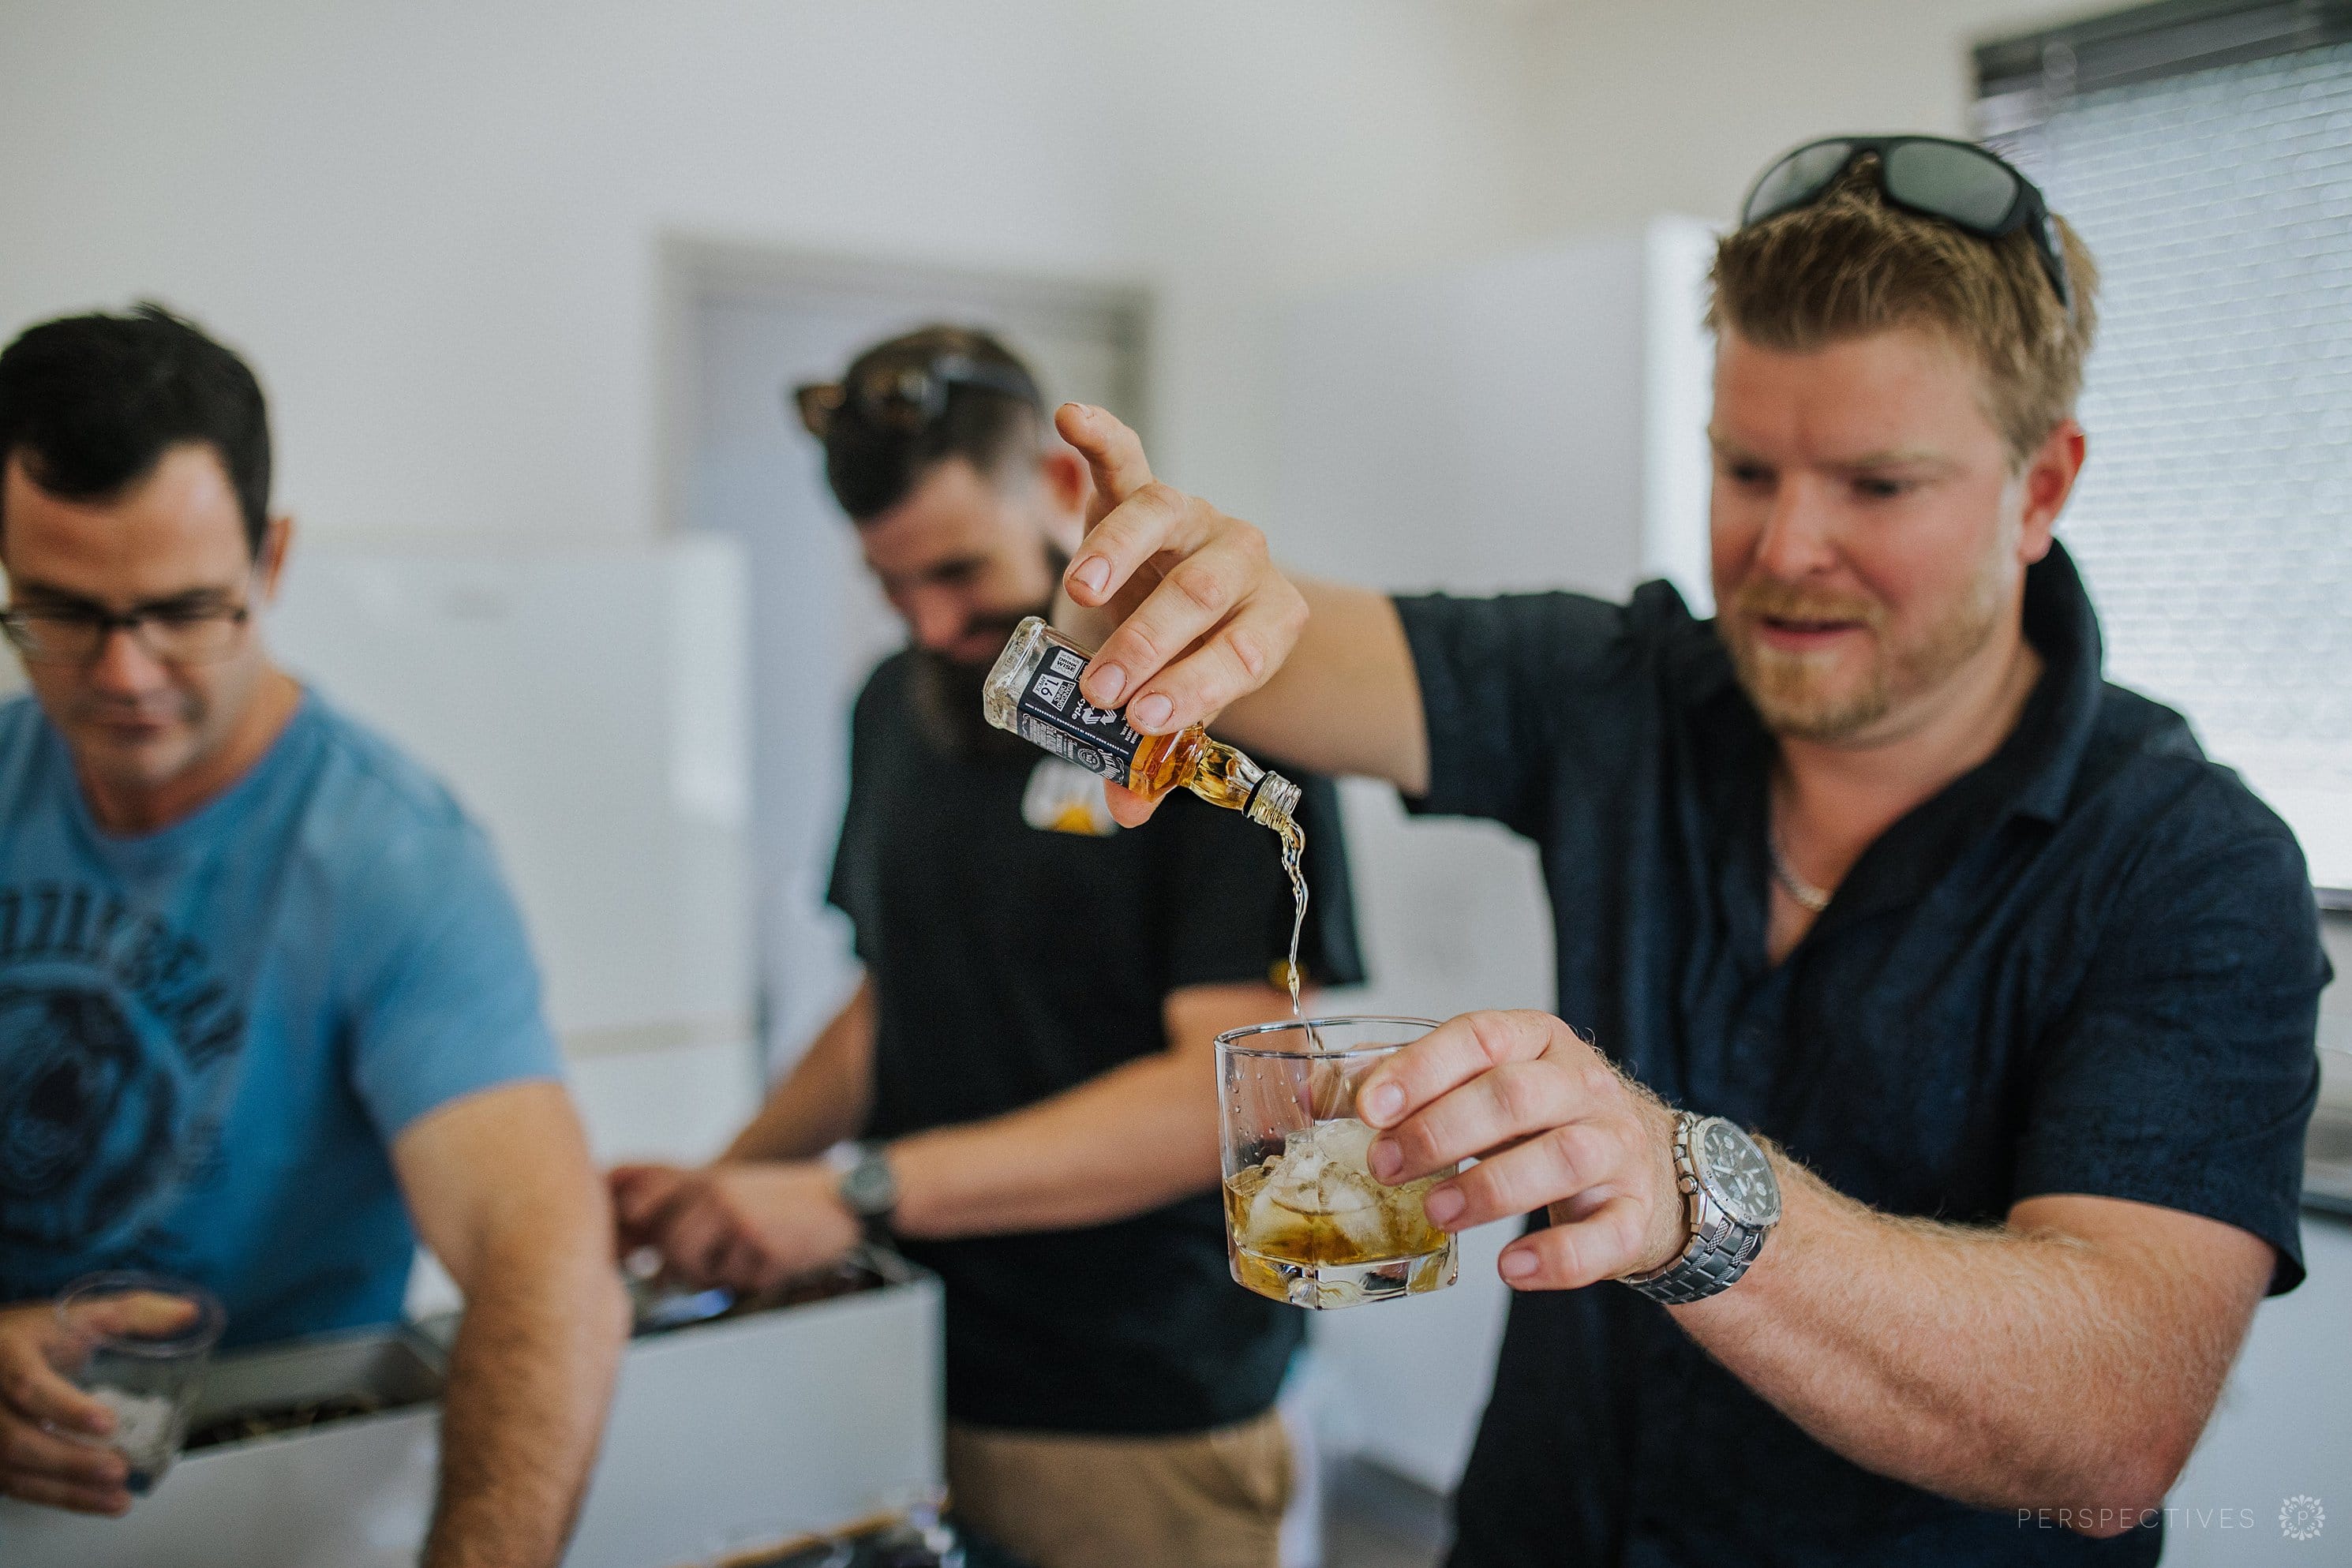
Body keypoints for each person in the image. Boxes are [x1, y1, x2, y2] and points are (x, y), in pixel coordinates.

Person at [1042, 139, 2328, 1564]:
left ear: (2042, 489)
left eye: (1878, 486)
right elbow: (1254, 652)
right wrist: (1143, 600)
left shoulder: (2192, 867)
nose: (1786, 548)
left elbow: (2114, 1429)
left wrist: (1688, 1193)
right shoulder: (1626, 691)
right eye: (1746, 469)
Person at [611, 325, 1363, 1568]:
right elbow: (889, 1006)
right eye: (892, 585)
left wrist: (856, 1191)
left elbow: (1225, 1096)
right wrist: (726, 1186)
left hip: (1134, 1408)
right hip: (908, 1367)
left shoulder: (1212, 725)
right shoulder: (891, 708)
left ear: (1063, 490)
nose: (931, 620)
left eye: (958, 572)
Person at [0, 305, 625, 1566]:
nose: (124, 675)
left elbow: (546, 1266)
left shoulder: (390, 857)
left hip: (278, 1505)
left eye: (183, 611)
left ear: (271, 559)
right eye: (61, 611)